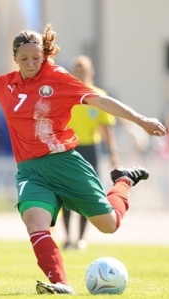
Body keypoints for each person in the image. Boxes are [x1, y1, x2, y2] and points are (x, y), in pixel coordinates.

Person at [0, 24, 166, 294]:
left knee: (109, 225)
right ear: (15, 58)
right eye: (24, 59)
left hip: (65, 163)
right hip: (31, 171)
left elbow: (101, 102)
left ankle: (123, 180)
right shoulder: (7, 84)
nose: (31, 63)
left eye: (36, 57)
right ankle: (60, 282)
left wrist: (142, 120)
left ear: (44, 54)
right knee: (34, 222)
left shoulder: (58, 78)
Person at [61, 55, 118, 250]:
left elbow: (106, 128)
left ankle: (82, 238)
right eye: (77, 69)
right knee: (66, 194)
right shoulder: (66, 94)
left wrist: (112, 153)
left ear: (91, 71)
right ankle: (68, 237)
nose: (81, 72)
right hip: (68, 149)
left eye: (84, 69)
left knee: (88, 194)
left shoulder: (98, 95)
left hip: (90, 149)